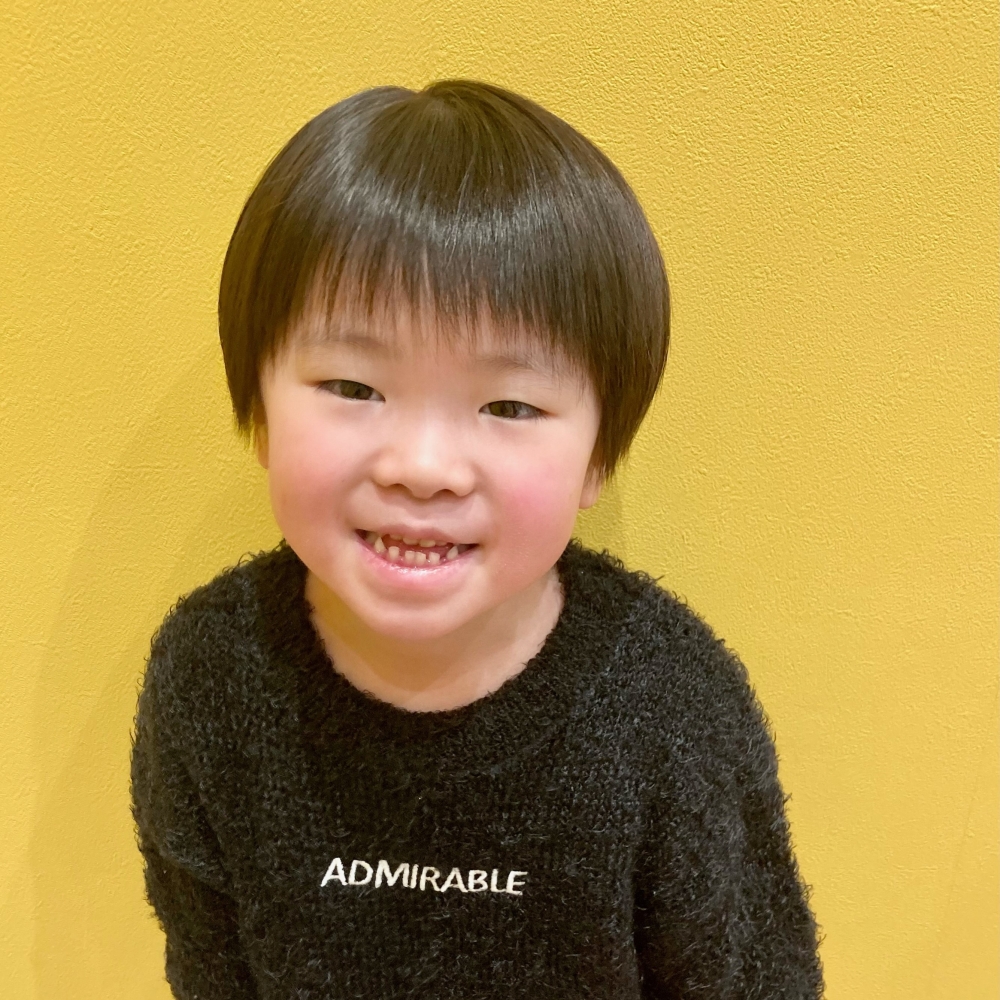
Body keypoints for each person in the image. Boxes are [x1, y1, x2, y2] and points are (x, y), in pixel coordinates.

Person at [130, 80, 823, 999]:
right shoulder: (210, 673)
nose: (423, 467)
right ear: (258, 413)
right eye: (352, 387)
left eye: (509, 405)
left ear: (597, 460)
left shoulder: (671, 706)